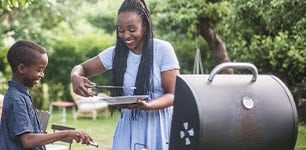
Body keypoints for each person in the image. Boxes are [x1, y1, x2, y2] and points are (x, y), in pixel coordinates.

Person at [70, 0, 180, 149]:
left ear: (145, 26)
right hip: (128, 127)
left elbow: (173, 94)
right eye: (121, 30)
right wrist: (75, 77)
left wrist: (147, 106)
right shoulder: (115, 53)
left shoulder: (163, 50)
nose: (126, 35)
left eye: (132, 29)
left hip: (159, 126)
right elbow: (82, 67)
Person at [0, 40, 94, 150]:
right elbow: (28, 140)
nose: (42, 75)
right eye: (39, 70)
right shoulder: (16, 98)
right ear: (21, 68)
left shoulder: (21, 95)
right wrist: (66, 133)